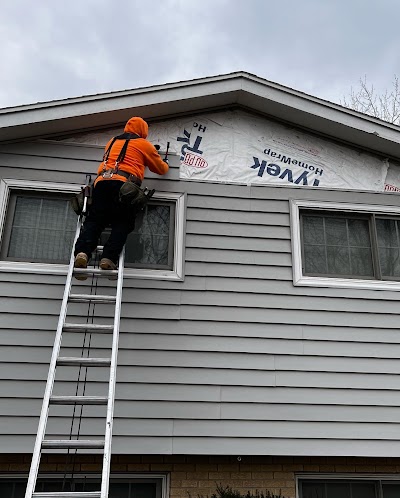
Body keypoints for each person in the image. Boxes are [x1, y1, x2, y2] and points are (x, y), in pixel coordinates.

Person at [73, 116, 169, 275]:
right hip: (124, 186)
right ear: (143, 131)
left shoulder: (112, 141)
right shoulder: (144, 144)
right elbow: (161, 169)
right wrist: (162, 160)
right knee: (122, 222)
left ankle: (82, 252)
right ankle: (108, 258)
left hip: (101, 182)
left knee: (95, 220)